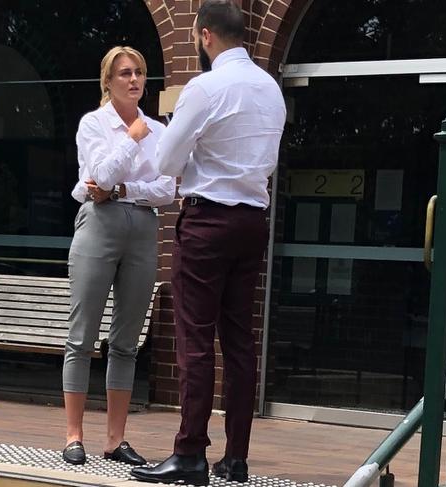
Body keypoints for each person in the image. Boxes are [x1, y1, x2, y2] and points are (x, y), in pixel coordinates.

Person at [130, 1, 286, 485]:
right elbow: (268, 162)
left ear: (203, 36)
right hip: (252, 220)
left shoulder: (204, 87)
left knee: (195, 340)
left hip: (207, 221)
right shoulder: (272, 90)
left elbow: (166, 163)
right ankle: (236, 458)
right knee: (239, 341)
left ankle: (190, 454)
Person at [62, 46, 176, 467]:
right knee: (82, 334)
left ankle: (115, 440)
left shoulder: (159, 130)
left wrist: (126, 189)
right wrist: (130, 141)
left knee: (126, 340)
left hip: (143, 230)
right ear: (107, 81)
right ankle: (74, 435)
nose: (134, 80)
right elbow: (100, 176)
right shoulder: (94, 123)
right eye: (124, 73)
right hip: (100, 224)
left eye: (140, 73)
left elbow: (166, 191)